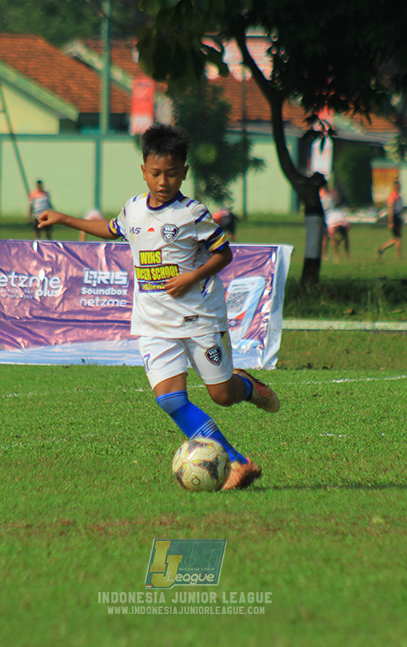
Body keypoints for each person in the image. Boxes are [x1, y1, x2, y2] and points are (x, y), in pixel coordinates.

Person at [36, 123, 278, 491]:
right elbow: (112, 228)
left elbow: (224, 253)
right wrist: (64, 218)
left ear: (184, 172)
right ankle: (238, 463)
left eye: (171, 174)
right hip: (153, 323)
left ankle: (245, 385)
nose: (163, 181)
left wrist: (189, 278)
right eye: (155, 173)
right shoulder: (134, 209)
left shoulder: (192, 214)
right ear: (144, 171)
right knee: (169, 399)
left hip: (200, 317)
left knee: (222, 395)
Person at [321, 185, 350, 261]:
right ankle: (325, 254)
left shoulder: (332, 193)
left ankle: (337, 254)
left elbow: (336, 202)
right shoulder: (321, 194)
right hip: (328, 216)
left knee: (330, 238)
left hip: (331, 216)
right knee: (325, 238)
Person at [377, 179, 404, 258]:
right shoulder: (392, 197)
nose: (399, 188)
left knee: (395, 239)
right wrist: (391, 222)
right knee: (398, 239)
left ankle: (381, 249)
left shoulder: (399, 197)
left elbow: (400, 208)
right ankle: (399, 256)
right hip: (394, 218)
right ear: (395, 187)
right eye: (397, 186)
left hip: (398, 218)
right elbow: (390, 209)